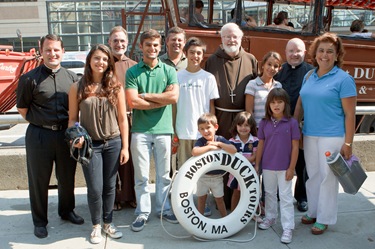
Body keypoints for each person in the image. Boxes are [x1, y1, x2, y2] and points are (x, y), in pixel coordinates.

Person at [16, 34, 84, 239]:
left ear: (63, 52)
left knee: (66, 177)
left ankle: (66, 211)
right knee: (39, 179)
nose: (52, 54)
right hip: (39, 135)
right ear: (41, 51)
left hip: (65, 134)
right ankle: (40, 221)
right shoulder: (29, 78)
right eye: (48, 50)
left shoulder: (73, 78)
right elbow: (22, 108)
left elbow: (76, 110)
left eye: (56, 50)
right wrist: (42, 123)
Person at [294, 32, 357, 235]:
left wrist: (348, 143)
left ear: (337, 55)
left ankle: (324, 218)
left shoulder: (344, 79)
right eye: (321, 50)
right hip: (310, 134)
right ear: (315, 53)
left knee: (327, 178)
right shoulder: (309, 75)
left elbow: (349, 114)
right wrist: (295, 126)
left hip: (332, 136)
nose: (325, 55)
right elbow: (301, 102)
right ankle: (313, 211)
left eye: (330, 51)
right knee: (312, 176)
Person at [68, 44, 128, 244]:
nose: (100, 62)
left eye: (104, 59)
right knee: (95, 187)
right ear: (89, 61)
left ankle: (107, 223)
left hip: (113, 142)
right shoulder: (77, 87)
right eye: (97, 58)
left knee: (110, 186)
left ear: (109, 63)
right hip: (90, 146)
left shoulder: (116, 86)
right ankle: (95, 226)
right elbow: (72, 119)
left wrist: (125, 147)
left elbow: (122, 119)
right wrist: (75, 137)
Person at [125, 29, 179, 232]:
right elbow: (132, 101)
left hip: (164, 129)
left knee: (165, 174)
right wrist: (159, 99)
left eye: (156, 45)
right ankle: (142, 212)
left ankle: (164, 209)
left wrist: (146, 95)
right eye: (148, 44)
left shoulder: (169, 71)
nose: (152, 48)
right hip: (140, 130)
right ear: (141, 47)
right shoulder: (132, 72)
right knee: (142, 176)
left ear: (160, 46)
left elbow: (173, 98)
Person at [204, 22, 258, 208]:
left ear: (241, 38)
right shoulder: (211, 61)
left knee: (241, 158)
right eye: (227, 36)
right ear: (221, 39)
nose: (231, 40)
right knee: (221, 158)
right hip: (220, 117)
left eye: (235, 36)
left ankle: (241, 199)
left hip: (242, 121)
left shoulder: (251, 59)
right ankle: (221, 199)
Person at [255, 88, 300, 244]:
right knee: (269, 194)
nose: (276, 105)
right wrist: (257, 164)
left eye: (279, 102)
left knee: (286, 197)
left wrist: (291, 168)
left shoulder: (292, 122)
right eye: (273, 102)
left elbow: (295, 147)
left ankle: (288, 227)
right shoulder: (264, 122)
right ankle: (270, 217)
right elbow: (261, 144)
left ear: (285, 104)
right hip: (268, 166)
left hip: (285, 167)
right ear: (268, 105)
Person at [274, 38, 314, 212]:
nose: (294, 54)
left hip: (302, 126)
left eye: (298, 51)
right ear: (285, 52)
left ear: (304, 53)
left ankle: (302, 197)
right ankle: (274, 193)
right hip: (279, 125)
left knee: (303, 164)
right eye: (291, 51)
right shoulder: (278, 71)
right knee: (278, 160)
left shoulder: (312, 72)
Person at [175, 37, 219, 169]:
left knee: (202, 171)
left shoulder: (208, 78)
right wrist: (174, 131)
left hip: (203, 132)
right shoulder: (177, 76)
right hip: (183, 131)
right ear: (186, 53)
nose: (195, 56)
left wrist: (211, 129)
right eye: (192, 52)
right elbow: (173, 106)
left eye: (199, 53)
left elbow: (212, 106)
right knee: (184, 170)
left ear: (203, 55)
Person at [108, 26, 137, 210]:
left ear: (127, 43)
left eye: (122, 41)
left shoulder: (134, 66)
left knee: (132, 160)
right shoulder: (104, 64)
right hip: (110, 119)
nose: (119, 44)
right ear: (109, 42)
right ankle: (116, 198)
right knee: (114, 159)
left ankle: (131, 196)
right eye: (115, 41)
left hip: (132, 118)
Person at [191, 113, 237, 217]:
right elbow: (194, 151)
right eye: (202, 129)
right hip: (203, 177)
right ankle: (200, 221)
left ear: (215, 127)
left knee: (219, 200)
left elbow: (234, 150)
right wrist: (210, 148)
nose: (205, 131)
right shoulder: (201, 141)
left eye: (208, 127)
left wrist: (218, 144)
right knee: (201, 199)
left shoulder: (220, 139)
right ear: (199, 130)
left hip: (217, 177)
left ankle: (225, 219)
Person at [227, 112, 259, 213]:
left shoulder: (255, 141)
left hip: (250, 172)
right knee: (236, 192)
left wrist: (240, 160)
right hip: (236, 172)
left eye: (246, 125)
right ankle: (233, 213)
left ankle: (254, 213)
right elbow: (230, 158)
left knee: (251, 193)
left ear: (251, 126)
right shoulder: (231, 141)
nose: (243, 128)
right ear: (235, 126)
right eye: (240, 125)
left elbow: (254, 157)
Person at [245, 51, 283, 126]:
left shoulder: (278, 86)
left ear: (279, 69)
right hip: (258, 127)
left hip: (274, 128)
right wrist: (253, 129)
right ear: (263, 65)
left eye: (275, 66)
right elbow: (249, 111)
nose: (272, 68)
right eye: (269, 64)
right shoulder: (252, 84)